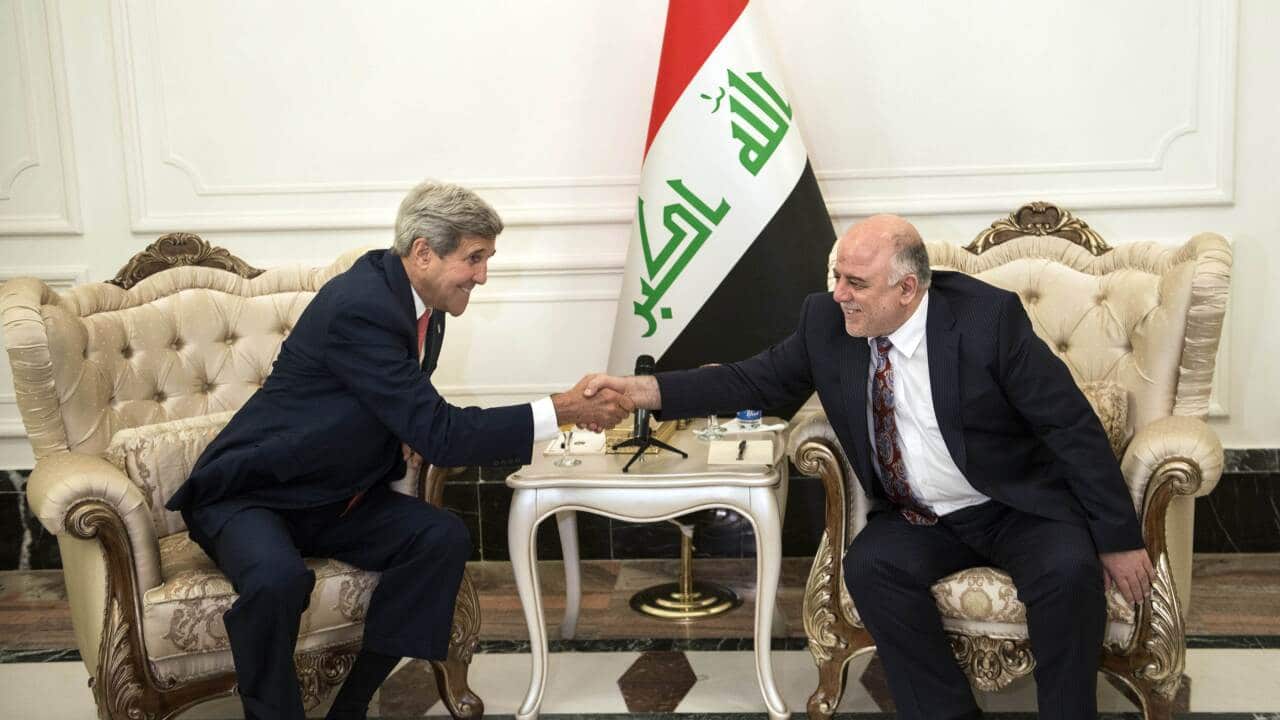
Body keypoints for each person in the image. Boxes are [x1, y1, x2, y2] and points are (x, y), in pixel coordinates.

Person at [583, 214, 1154, 719]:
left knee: (1068, 572)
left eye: (856, 283)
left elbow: (1069, 424)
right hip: (921, 516)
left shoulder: (986, 319)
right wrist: (641, 392)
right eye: (837, 277)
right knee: (872, 566)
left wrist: (1118, 537)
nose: (839, 295)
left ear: (907, 289)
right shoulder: (826, 322)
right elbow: (749, 380)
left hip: (1014, 505)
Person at [165, 180, 633, 720]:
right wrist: (563, 409)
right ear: (423, 252)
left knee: (439, 537)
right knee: (278, 580)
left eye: (487, 258)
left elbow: (394, 403)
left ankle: (351, 705)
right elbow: (442, 435)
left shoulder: (422, 304)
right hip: (252, 494)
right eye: (474, 258)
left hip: (331, 495)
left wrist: (404, 427)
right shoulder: (361, 306)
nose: (483, 275)